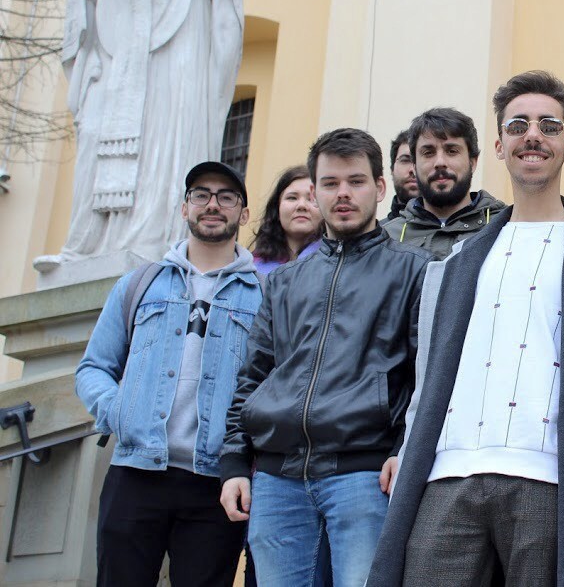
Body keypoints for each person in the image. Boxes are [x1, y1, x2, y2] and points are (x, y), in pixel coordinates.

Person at [369, 71, 564, 587]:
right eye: (518, 125)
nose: (533, 135)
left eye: (549, 126)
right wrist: (407, 448)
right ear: (499, 146)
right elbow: (430, 378)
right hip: (447, 475)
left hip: (551, 479)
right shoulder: (455, 264)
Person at [219, 128, 431, 587]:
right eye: (330, 183)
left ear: (380, 187)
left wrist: (403, 449)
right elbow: (253, 375)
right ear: (314, 192)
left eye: (356, 181)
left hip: (364, 476)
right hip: (277, 479)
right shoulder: (285, 281)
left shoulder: (415, 271)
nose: (343, 194)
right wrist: (235, 463)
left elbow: (427, 378)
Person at [39, 0, 243, 269]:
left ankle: (158, 242)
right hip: (122, 56)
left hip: (178, 51)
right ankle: (88, 246)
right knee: (98, 136)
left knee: (165, 139)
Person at [75, 161, 260, 587]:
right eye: (201, 195)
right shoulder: (138, 284)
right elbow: (94, 367)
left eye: (226, 196)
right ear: (184, 207)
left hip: (216, 480)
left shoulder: (264, 297)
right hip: (135, 471)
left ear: (243, 213)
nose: (212, 205)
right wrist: (118, 410)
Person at [384, 107, 507, 258]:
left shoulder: (505, 228)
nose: (440, 162)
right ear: (414, 166)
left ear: (472, 162)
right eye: (428, 153)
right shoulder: (386, 240)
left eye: (452, 151)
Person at [249, 164, 321, 274]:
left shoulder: (340, 264)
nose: (301, 205)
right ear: (277, 208)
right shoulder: (252, 269)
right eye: (292, 198)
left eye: (311, 199)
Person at [386, 130, 419, 223]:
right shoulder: (378, 231)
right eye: (405, 160)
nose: (413, 170)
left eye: (419, 161)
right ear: (392, 169)